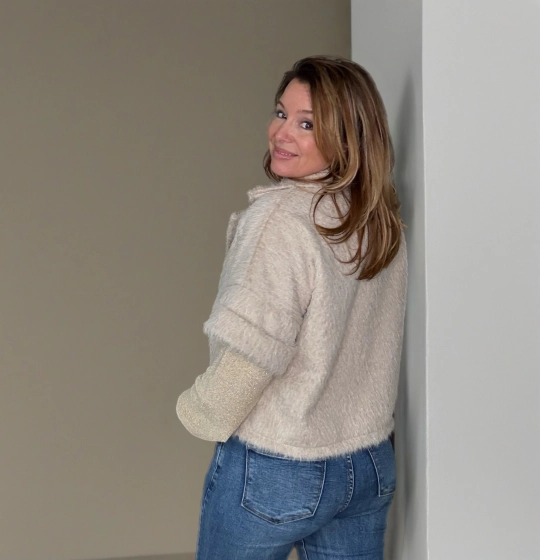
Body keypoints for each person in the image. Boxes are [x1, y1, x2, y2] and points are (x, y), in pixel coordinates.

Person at [176, 55, 407, 560]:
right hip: (367, 462)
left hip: (281, 461)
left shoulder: (280, 219)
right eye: (281, 113)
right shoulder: (376, 220)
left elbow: (253, 350)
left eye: (307, 124)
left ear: (347, 138)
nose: (281, 133)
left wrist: (200, 411)